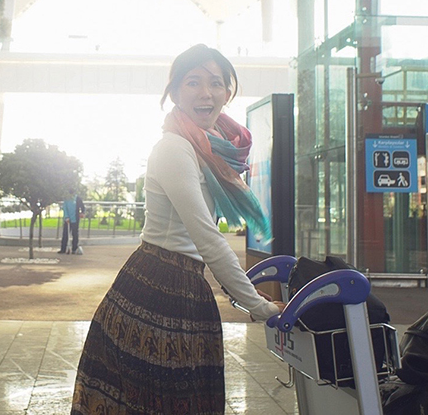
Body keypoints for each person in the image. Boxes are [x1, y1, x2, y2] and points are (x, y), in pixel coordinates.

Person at [71, 44, 286, 415]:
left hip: (183, 288)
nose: (207, 93)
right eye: (193, 82)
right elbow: (207, 237)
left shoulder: (211, 150)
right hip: (157, 293)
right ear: (174, 92)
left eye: (216, 83)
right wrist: (259, 305)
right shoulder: (174, 148)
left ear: (227, 92)